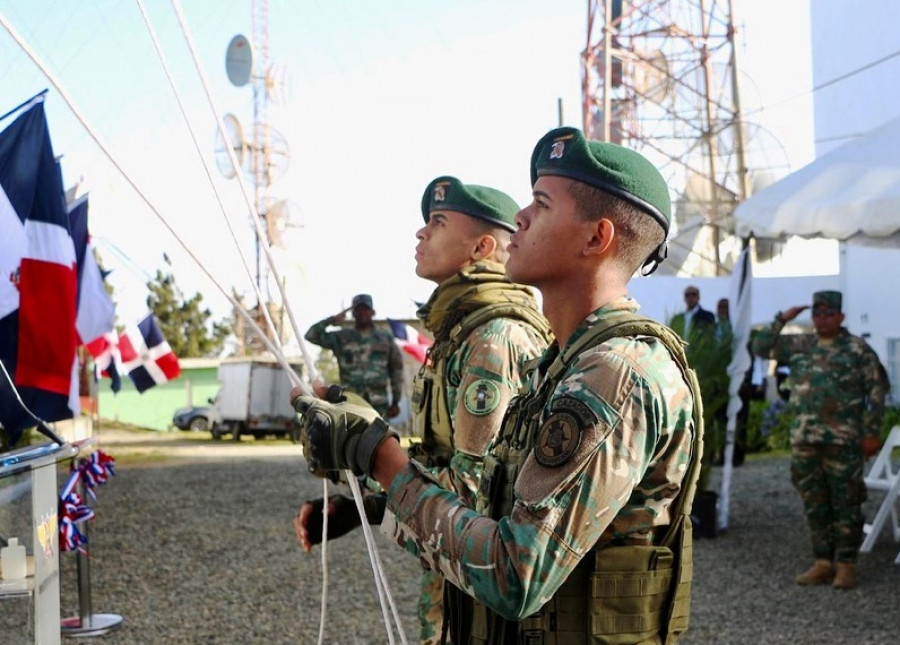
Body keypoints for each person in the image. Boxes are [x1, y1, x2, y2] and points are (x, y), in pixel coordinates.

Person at [292, 126, 703, 644]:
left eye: (541, 205)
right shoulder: (562, 364)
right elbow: (488, 501)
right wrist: (371, 497)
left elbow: (516, 574)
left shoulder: (616, 372)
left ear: (597, 238)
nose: (521, 219)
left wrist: (379, 458)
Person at [297, 176, 552, 645]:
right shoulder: (462, 329)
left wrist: (370, 452)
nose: (420, 233)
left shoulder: (493, 340)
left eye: (436, 222)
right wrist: (364, 507)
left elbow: (474, 497)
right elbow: (450, 467)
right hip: (455, 580)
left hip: (481, 595)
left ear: (481, 246)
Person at [752, 290, 887, 590]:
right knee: (815, 502)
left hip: (844, 441)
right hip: (805, 439)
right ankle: (823, 562)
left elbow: (877, 391)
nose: (822, 319)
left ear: (840, 316)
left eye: (828, 314)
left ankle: (847, 564)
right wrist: (782, 318)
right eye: (817, 314)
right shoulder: (800, 344)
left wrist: (871, 432)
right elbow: (760, 347)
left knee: (847, 502)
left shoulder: (857, 349)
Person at [304, 294, 404, 419]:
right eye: (358, 309)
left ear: (372, 312)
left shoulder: (384, 338)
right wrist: (331, 320)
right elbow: (310, 335)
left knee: (382, 438)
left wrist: (395, 401)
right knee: (353, 438)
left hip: (378, 404)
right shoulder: (342, 337)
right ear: (353, 313)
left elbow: (396, 369)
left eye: (365, 309)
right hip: (351, 404)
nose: (362, 313)